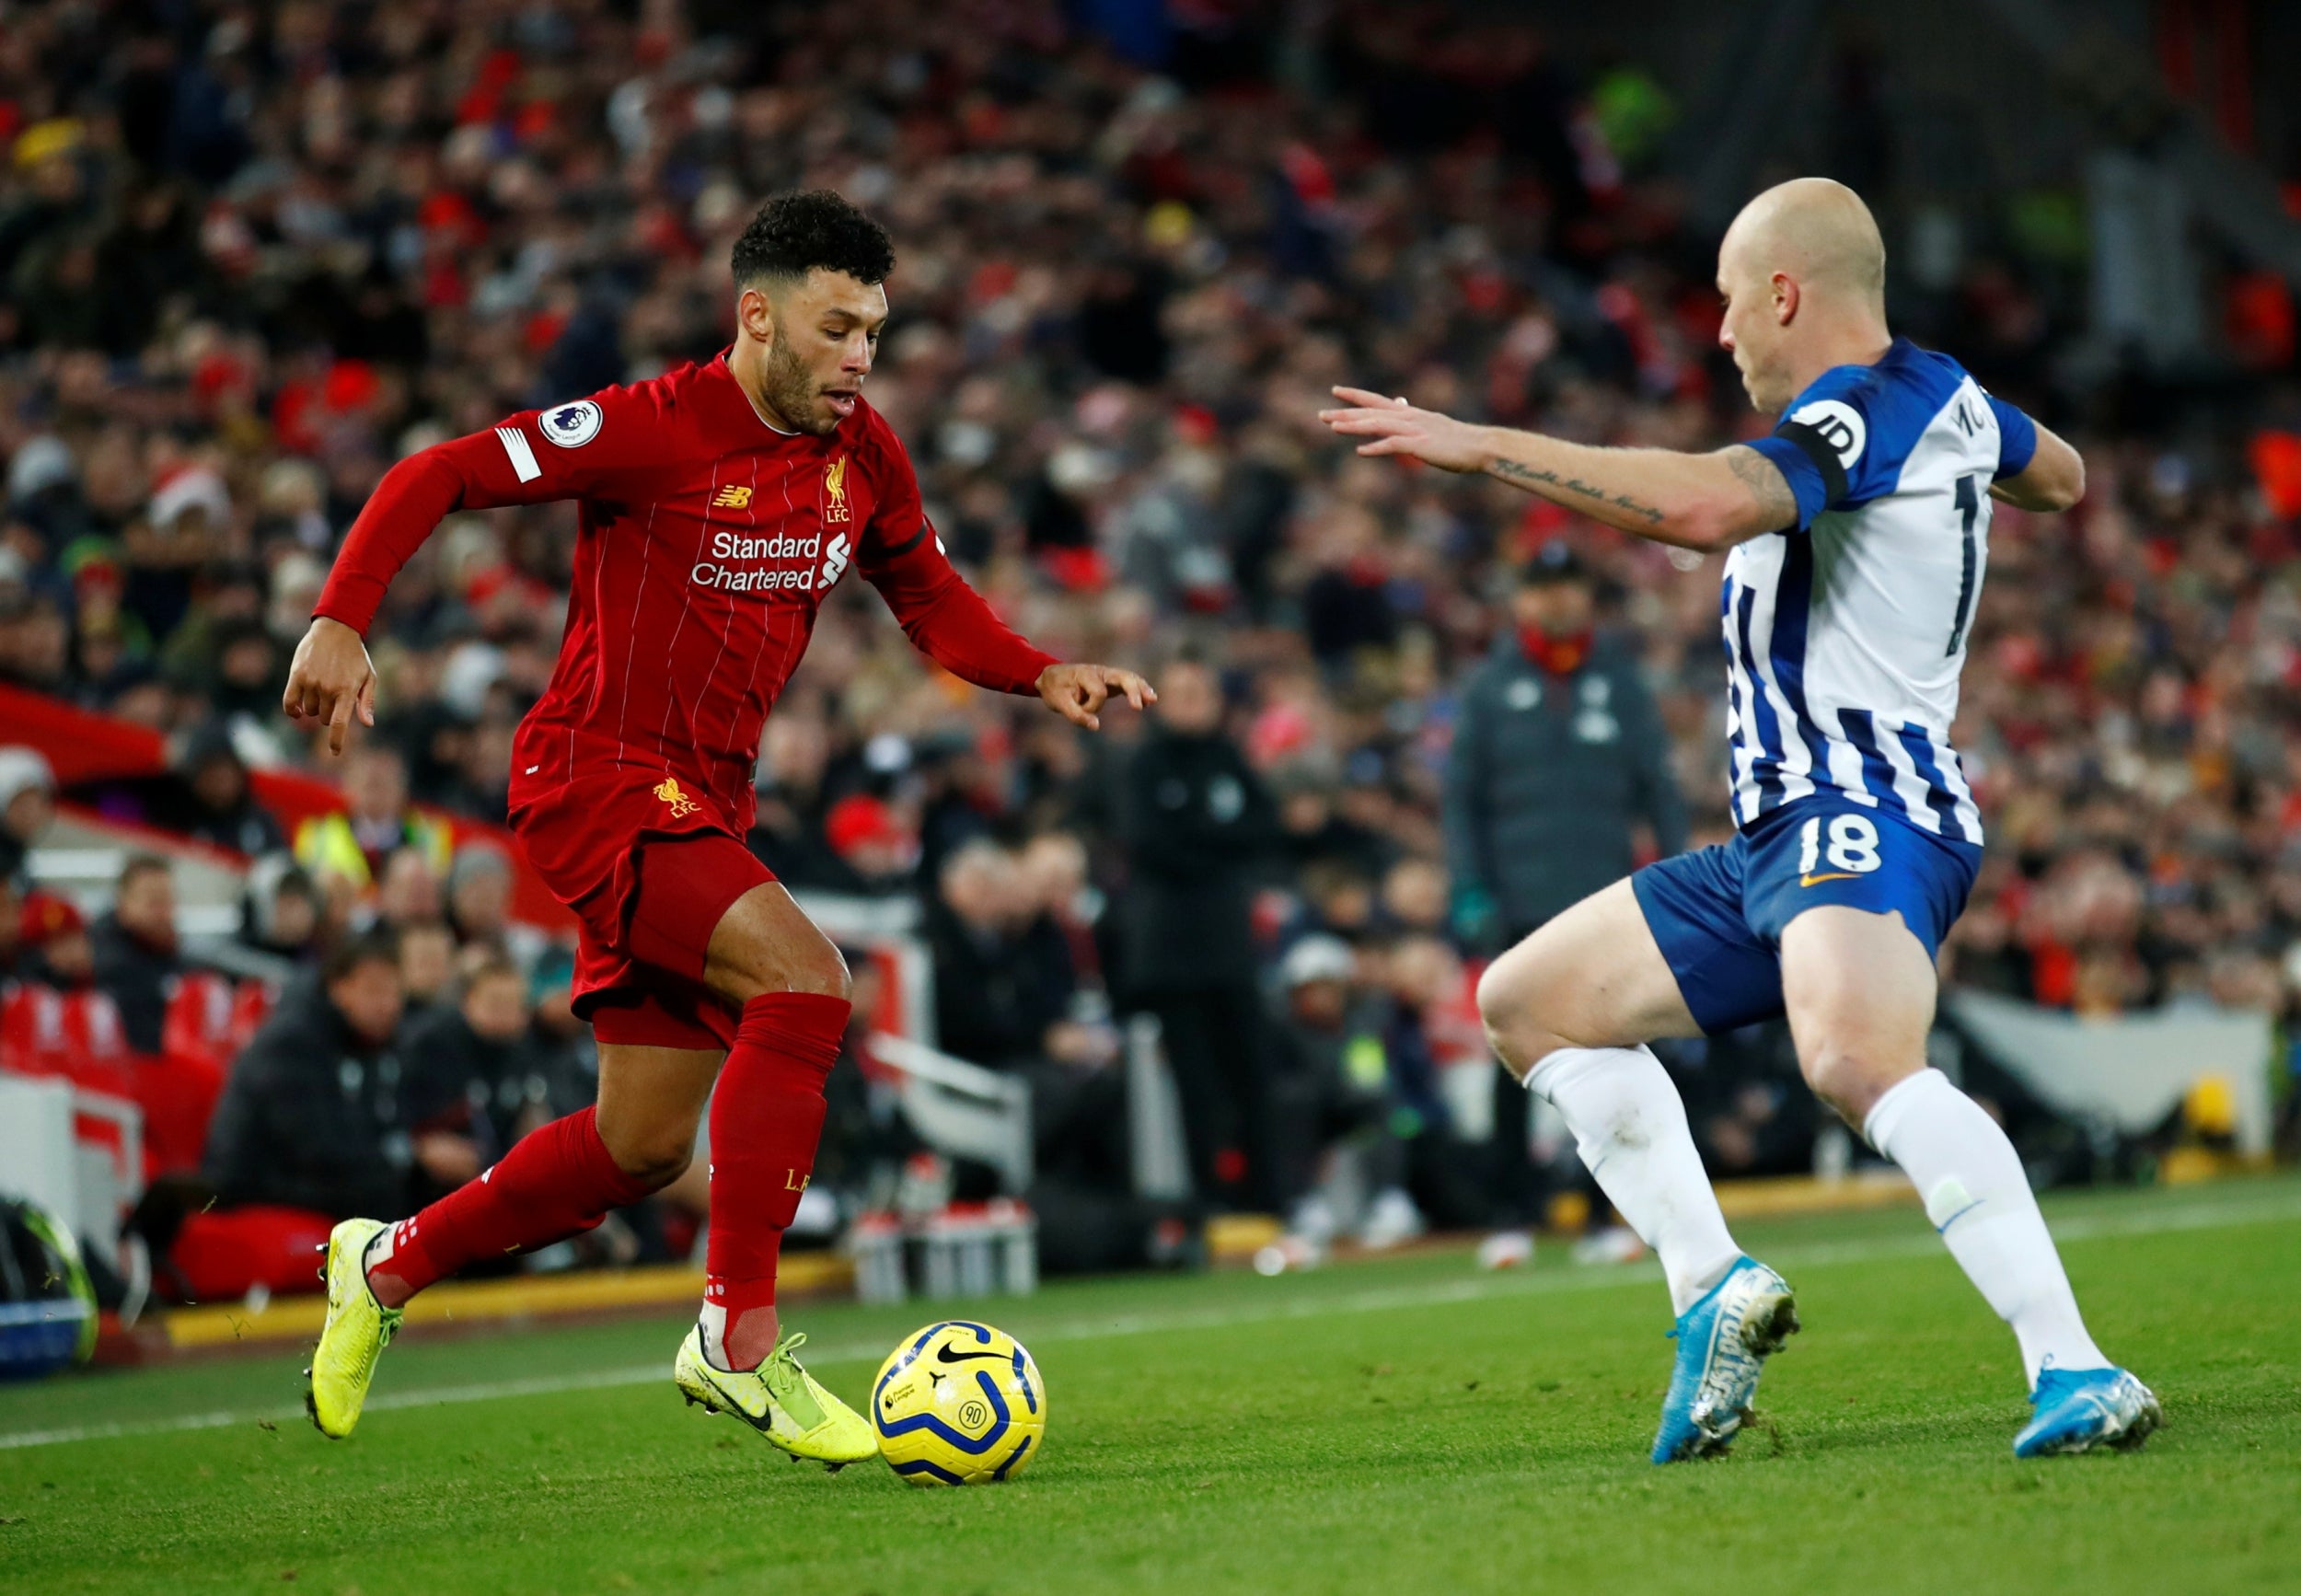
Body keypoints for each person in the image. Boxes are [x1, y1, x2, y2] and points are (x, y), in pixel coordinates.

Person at [281, 190, 1154, 1460]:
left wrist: (1038, 671)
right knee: (808, 983)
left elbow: (929, 593)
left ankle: (387, 1261)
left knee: (635, 1149)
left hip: (706, 801)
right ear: (757, 316)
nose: (861, 355)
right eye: (837, 326)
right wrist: (343, 613)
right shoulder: (652, 427)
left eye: (876, 330)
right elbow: (442, 470)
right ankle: (735, 1337)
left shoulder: (862, 453)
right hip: (600, 774)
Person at [1320, 177, 2154, 1462]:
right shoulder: (1937, 398)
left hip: (1865, 806)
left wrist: (1483, 444)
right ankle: (1712, 1286)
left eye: (1725, 303)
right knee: (1525, 1003)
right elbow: (2065, 474)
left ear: (1783, 292)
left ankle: (2077, 1363)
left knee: (1854, 1060)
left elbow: (1710, 507)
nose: (1719, 334)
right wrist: (1976, 431)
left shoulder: (1867, 406)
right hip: (1774, 837)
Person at [1443, 540, 1685, 1257]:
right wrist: (1468, 888)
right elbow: (1462, 802)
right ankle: (1512, 1217)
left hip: (1603, 905)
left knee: (1616, 1052)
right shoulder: (1490, 687)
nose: (1557, 600)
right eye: (1543, 587)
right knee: (1511, 1064)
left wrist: (1675, 876)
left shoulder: (1621, 680)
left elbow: (1660, 790)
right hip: (1518, 903)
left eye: (1569, 585)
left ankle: (1612, 1216)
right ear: (1522, 599)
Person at [1116, 652, 1280, 1210]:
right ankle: (1209, 1204)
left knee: (1252, 1074)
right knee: (1196, 1086)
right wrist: (1219, 839)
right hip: (1172, 952)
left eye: (1202, 695)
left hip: (1230, 945)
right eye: (1183, 695)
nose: (1195, 706)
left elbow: (1264, 825)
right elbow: (1148, 845)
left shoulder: (1229, 758)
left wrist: (1197, 837)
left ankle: (1268, 1199)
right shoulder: (1144, 765)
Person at [90, 852, 183, 1054]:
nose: (163, 913)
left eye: (168, 901)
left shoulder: (165, 948)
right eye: (153, 902)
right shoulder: (108, 962)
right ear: (123, 904)